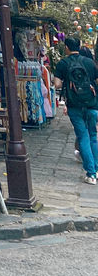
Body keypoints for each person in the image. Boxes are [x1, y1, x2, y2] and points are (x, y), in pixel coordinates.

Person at [54, 36, 98, 185]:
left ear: (66, 47)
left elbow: (57, 84)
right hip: (92, 105)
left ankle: (91, 174)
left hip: (74, 106)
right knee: (93, 136)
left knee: (83, 136)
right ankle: (96, 170)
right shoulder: (90, 63)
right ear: (79, 46)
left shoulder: (62, 64)